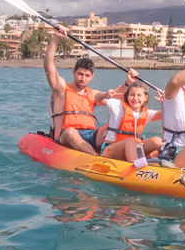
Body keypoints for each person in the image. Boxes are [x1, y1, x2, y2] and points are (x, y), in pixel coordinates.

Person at [44, 26, 135, 155]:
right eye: (80, 74)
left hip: (89, 135)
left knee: (111, 128)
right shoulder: (61, 89)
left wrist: (128, 83)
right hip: (65, 137)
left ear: (92, 77)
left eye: (87, 76)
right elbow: (48, 64)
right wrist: (56, 38)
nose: (83, 79)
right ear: (74, 72)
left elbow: (116, 98)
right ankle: (95, 157)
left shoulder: (92, 94)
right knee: (71, 132)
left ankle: (119, 155)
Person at [96, 80, 164, 168]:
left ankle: (166, 164)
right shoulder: (117, 106)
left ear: (145, 98)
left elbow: (165, 113)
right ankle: (137, 168)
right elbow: (97, 97)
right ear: (127, 96)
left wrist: (166, 103)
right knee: (130, 141)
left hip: (132, 150)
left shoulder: (146, 113)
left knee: (157, 141)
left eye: (139, 95)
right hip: (110, 151)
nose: (135, 98)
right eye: (132, 95)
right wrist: (106, 95)